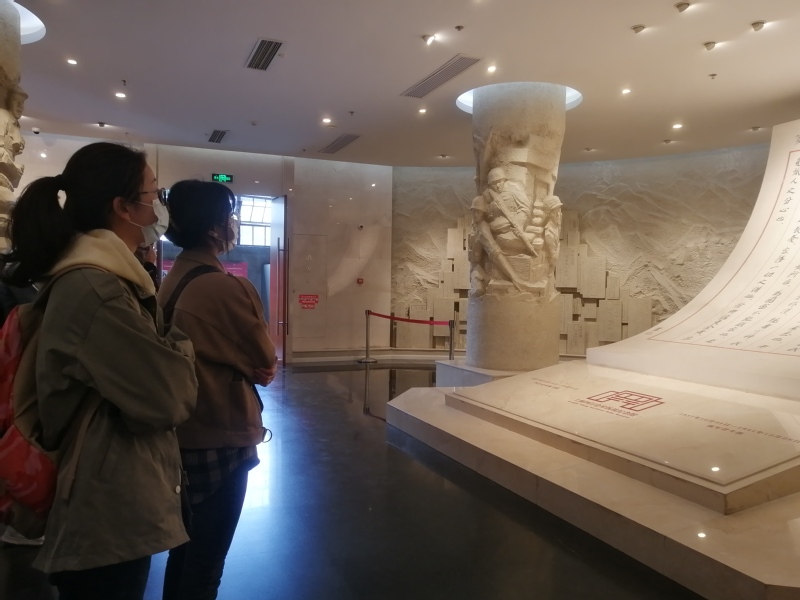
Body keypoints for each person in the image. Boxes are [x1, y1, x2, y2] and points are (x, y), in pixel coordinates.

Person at [0, 141, 198, 600]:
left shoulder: (110, 280)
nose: (159, 206)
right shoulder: (96, 289)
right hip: (103, 509)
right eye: (153, 194)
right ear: (123, 208)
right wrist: (181, 349)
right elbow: (170, 396)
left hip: (107, 500)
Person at [158, 179, 277, 600]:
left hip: (182, 428)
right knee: (207, 561)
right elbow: (265, 358)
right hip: (220, 433)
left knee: (183, 550)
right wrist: (248, 364)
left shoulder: (173, 277)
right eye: (231, 217)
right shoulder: (225, 286)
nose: (234, 225)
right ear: (213, 228)